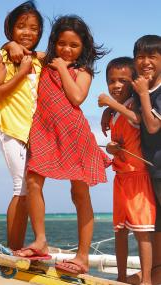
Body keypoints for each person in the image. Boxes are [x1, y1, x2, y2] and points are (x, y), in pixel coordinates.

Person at [15, 15, 111, 273]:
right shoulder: (45, 61)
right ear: (54, 42)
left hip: (74, 134)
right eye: (61, 43)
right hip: (45, 131)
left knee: (79, 194)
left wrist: (60, 68)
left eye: (74, 46)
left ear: (84, 49)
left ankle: (82, 257)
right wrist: (11, 47)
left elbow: (77, 97)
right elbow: (20, 49)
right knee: (33, 181)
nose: (66, 49)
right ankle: (40, 240)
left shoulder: (82, 71)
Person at [0, 1, 44, 251]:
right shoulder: (1, 56)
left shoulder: (38, 59)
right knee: (20, 186)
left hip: (34, 133)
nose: (27, 33)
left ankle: (19, 247)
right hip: (12, 129)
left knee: (28, 190)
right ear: (10, 29)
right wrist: (21, 71)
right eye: (21, 27)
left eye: (33, 28)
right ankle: (12, 250)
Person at [98, 57, 156, 285]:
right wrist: (112, 148)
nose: (116, 85)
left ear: (133, 82)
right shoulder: (113, 114)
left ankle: (147, 280)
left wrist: (111, 105)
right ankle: (121, 277)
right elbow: (119, 145)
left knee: (143, 232)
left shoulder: (134, 104)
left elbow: (137, 120)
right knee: (119, 231)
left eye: (123, 80)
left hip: (138, 178)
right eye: (111, 81)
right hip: (120, 178)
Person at [127, 35, 161, 285]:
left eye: (152, 56)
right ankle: (157, 273)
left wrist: (144, 94)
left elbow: (151, 126)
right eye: (140, 57)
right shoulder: (141, 90)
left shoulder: (153, 92)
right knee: (157, 225)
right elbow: (134, 115)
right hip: (151, 170)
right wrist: (109, 110)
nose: (145, 62)